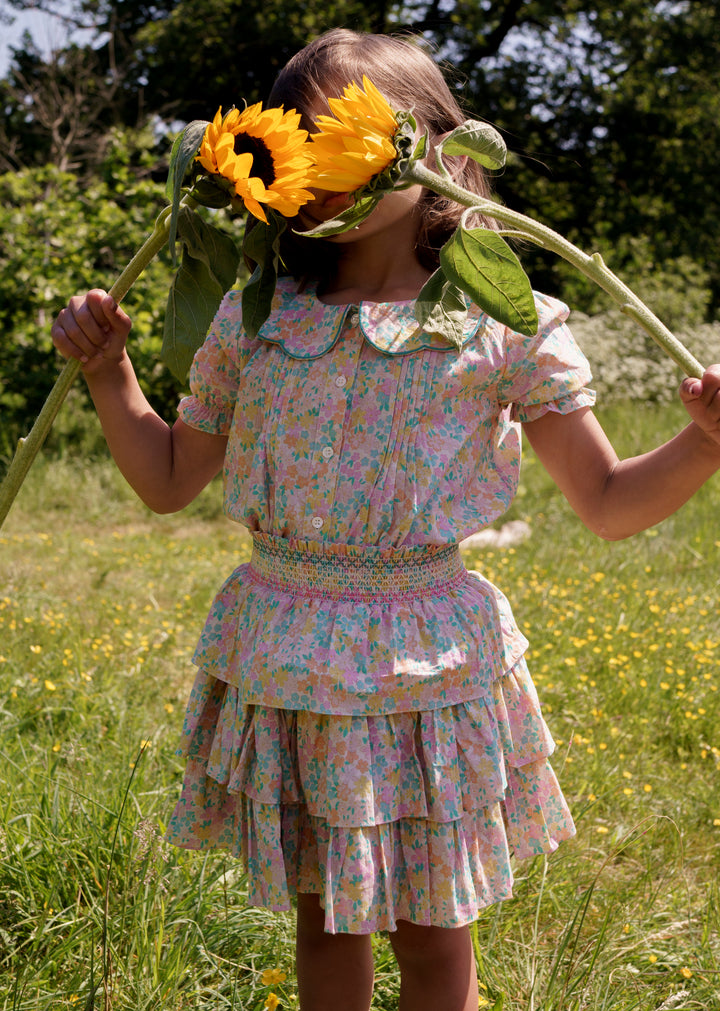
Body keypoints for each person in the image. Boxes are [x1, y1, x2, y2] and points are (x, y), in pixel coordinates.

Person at [51, 28, 720, 1011]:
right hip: (293, 657)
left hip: (425, 670)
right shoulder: (258, 316)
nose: (319, 171)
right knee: (325, 915)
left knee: (435, 930)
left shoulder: (500, 323)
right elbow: (168, 479)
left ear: (435, 150)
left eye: (345, 141)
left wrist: (703, 443)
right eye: (294, 149)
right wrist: (109, 374)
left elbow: (609, 501)